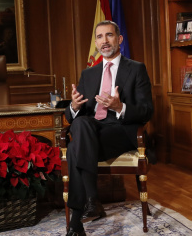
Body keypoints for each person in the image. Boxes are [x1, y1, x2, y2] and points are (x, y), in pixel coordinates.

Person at [64, 20, 153, 236]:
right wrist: (74, 106)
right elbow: (72, 116)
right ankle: (89, 203)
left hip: (120, 130)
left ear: (119, 39)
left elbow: (146, 110)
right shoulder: (88, 74)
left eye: (109, 35)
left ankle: (80, 214)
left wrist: (120, 106)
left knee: (76, 149)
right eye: (100, 37)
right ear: (96, 43)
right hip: (92, 130)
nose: (105, 41)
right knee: (80, 122)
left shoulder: (136, 69)